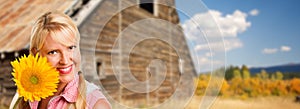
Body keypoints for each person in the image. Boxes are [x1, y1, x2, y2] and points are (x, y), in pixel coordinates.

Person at [10, 11, 111, 109]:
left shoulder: (95, 104)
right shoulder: (25, 95)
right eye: (53, 52)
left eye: (71, 48)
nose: (65, 60)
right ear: (36, 54)